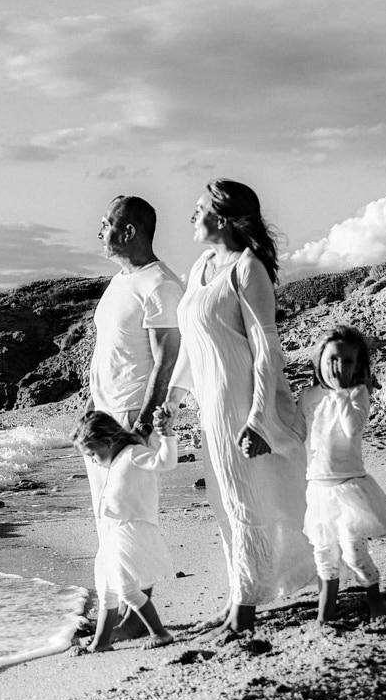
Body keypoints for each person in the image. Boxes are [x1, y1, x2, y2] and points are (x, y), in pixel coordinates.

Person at [173, 179, 312, 643]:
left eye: (199, 209)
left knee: (244, 501)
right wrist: (172, 397)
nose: (192, 216)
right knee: (223, 504)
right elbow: (192, 342)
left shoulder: (248, 269)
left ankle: (245, 611)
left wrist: (258, 418)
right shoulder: (200, 267)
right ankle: (237, 597)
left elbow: (267, 350)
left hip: (240, 405)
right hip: (210, 408)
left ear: (224, 217)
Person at [81, 196, 184, 637]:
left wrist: (142, 424)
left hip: (131, 418)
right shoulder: (121, 281)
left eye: (105, 224)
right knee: (107, 516)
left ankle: (136, 618)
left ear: (128, 231)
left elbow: (168, 356)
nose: (98, 231)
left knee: (133, 516)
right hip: (106, 417)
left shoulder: (160, 285)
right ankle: (123, 609)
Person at [299, 326, 386, 623]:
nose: (339, 366)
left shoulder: (358, 392)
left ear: (358, 366)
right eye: (332, 359)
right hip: (317, 488)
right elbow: (295, 433)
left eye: (348, 361)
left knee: (354, 553)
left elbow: (352, 428)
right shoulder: (308, 396)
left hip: (349, 487)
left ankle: (375, 598)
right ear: (319, 360)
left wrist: (341, 392)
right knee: (323, 555)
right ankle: (326, 613)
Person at [72, 410, 177, 652]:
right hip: (112, 533)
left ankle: (159, 633)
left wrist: (167, 436)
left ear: (108, 441)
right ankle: (101, 642)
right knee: (106, 590)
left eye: (93, 453)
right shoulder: (116, 460)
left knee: (126, 589)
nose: (93, 460)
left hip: (131, 530)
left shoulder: (133, 454)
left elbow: (166, 462)